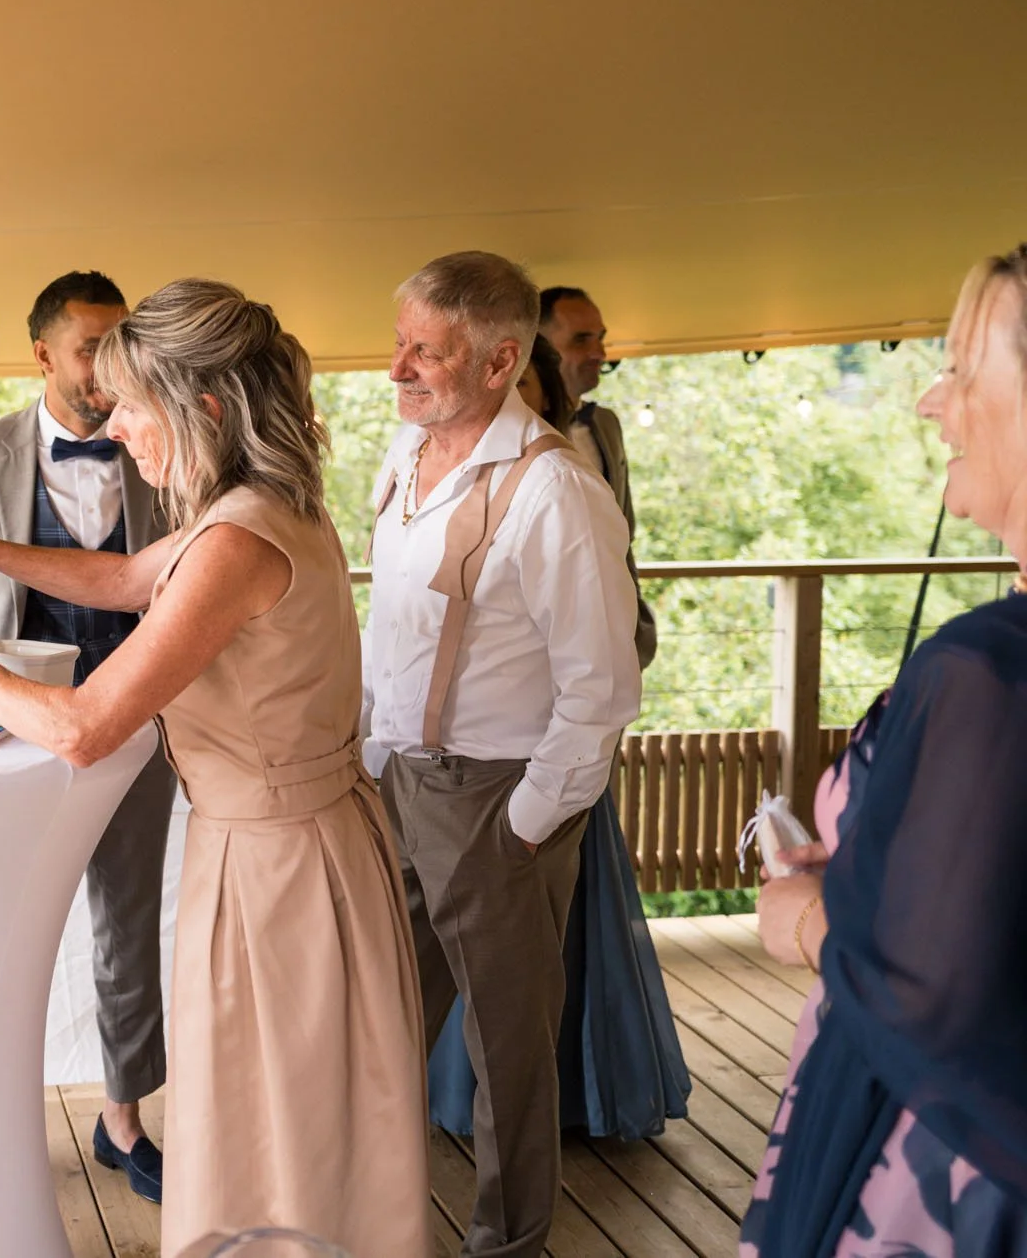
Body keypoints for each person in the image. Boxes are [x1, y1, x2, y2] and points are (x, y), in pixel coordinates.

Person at [0, 279, 429, 1257]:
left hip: (277, 870)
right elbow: (126, 578)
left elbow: (82, 726)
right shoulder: (260, 505)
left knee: (278, 1129)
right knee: (292, 1121)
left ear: (199, 408)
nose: (114, 426)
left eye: (129, 405)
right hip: (302, 842)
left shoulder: (234, 540)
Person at [742, 248, 1027, 1255]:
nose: (929, 401)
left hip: (950, 1181)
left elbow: (931, 1000)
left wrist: (808, 919)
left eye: (958, 368)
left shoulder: (988, 669)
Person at [363, 252, 640, 1257]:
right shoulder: (402, 453)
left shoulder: (557, 492)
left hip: (494, 798)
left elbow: (600, 686)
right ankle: (376, 1223)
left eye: (424, 352)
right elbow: (391, 626)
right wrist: (371, 755)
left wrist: (524, 823)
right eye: (399, 343)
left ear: (498, 360)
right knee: (380, 1023)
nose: (397, 367)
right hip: (398, 785)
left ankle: (507, 1244)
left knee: (507, 1058)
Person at [0, 270, 177, 1202]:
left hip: (138, 727)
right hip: (8, 735)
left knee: (129, 923)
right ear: (42, 353)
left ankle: (123, 1119)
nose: (107, 370)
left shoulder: (162, 446)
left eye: (119, 349)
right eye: (90, 349)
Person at [428, 331, 690, 1143]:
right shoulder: (437, 467)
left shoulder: (576, 463)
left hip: (557, 750)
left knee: (572, 930)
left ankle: (587, 1094)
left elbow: (612, 582)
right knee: (487, 953)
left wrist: (536, 806)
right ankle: (463, 1100)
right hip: (481, 752)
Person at [540, 285, 657, 667]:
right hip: (538, 647)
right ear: (539, 348)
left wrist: (634, 629)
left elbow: (624, 532)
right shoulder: (510, 434)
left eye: (600, 338)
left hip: (613, 640)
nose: (599, 353)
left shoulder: (605, 425)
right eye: (581, 340)